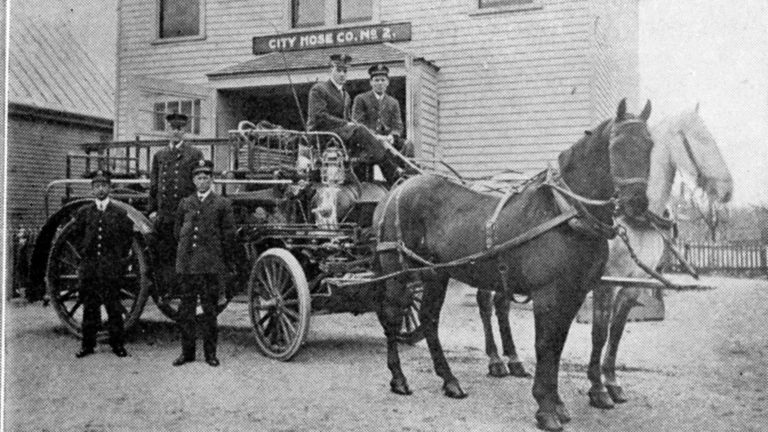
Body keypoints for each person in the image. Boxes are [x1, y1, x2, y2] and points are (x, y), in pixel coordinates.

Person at [172, 160, 236, 367]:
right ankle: (187, 354)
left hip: (210, 266)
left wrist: (223, 265)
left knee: (209, 313)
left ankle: (210, 355)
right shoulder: (185, 203)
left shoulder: (221, 204)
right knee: (186, 312)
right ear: (193, 180)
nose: (202, 181)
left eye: (206, 177)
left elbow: (228, 236)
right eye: (199, 178)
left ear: (212, 180)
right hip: (188, 266)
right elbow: (177, 232)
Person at [307, 54, 403, 185]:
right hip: (322, 134)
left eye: (345, 71)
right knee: (360, 130)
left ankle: (371, 178)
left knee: (363, 133)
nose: (342, 74)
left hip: (339, 134)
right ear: (331, 70)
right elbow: (319, 116)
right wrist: (347, 124)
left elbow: (348, 119)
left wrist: (375, 136)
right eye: (338, 70)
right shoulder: (319, 89)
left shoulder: (345, 95)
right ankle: (393, 172)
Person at [72, 170, 134, 358]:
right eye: (97, 186)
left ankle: (118, 345)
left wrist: (117, 260)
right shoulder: (84, 213)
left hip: (111, 268)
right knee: (89, 307)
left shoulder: (120, 213)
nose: (100, 189)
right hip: (90, 268)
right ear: (92, 189)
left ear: (109, 188)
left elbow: (126, 239)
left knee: (113, 308)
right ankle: (87, 345)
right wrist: (85, 256)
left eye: (104, 186)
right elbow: (76, 238)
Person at [147, 112, 203, 298]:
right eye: (172, 128)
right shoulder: (160, 155)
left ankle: (185, 293)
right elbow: (154, 185)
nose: (176, 132)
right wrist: (152, 210)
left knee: (184, 255)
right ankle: (167, 291)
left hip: (184, 215)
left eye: (179, 128)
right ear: (167, 130)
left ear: (184, 130)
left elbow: (199, 184)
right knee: (165, 254)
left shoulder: (194, 154)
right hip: (164, 215)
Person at [352, 63, 413, 159]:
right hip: (368, 141)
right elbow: (358, 123)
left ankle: (408, 172)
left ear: (387, 82)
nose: (380, 83)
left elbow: (398, 126)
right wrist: (375, 136)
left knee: (408, 144)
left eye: (383, 80)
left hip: (389, 140)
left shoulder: (393, 102)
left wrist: (392, 136)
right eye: (376, 80)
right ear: (371, 82)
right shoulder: (361, 99)